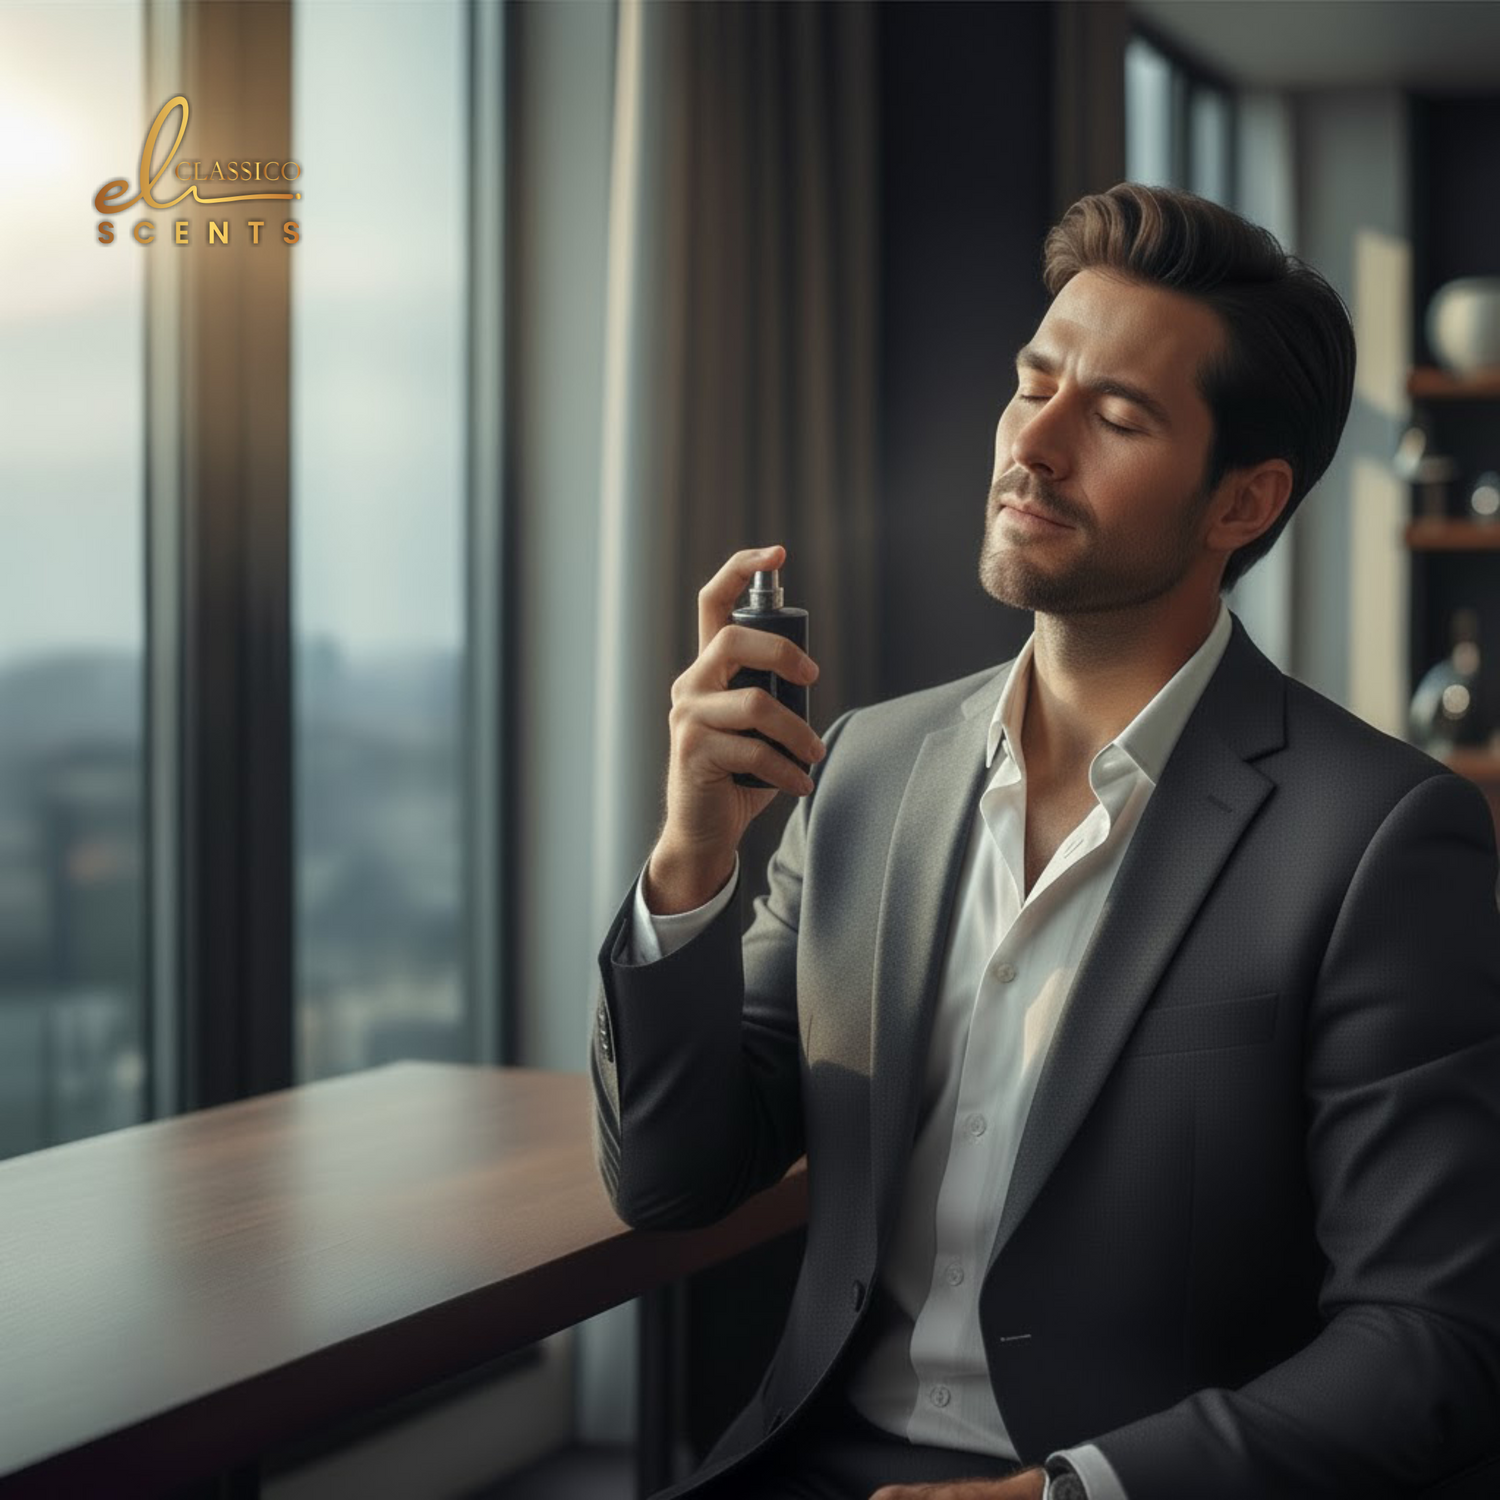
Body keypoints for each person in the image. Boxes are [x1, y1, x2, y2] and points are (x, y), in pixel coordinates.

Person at [590, 182, 1500, 1500]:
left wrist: (1075, 1495)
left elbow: (1435, 1338)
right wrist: (689, 859)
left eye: (1117, 415)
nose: (1036, 441)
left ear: (1240, 505)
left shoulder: (1380, 839)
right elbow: (671, 1181)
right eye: (1034, 385)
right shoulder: (863, 770)